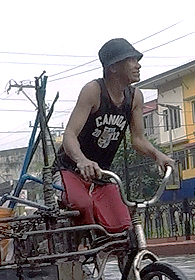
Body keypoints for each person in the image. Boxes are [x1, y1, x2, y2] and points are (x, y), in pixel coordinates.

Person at [54, 38, 174, 233]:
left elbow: (138, 140)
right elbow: (69, 134)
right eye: (132, 60)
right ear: (114, 67)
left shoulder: (135, 97)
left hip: (102, 173)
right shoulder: (93, 91)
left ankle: (124, 260)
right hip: (71, 169)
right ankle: (79, 253)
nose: (138, 65)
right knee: (82, 206)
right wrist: (82, 160)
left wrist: (158, 155)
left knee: (122, 225)